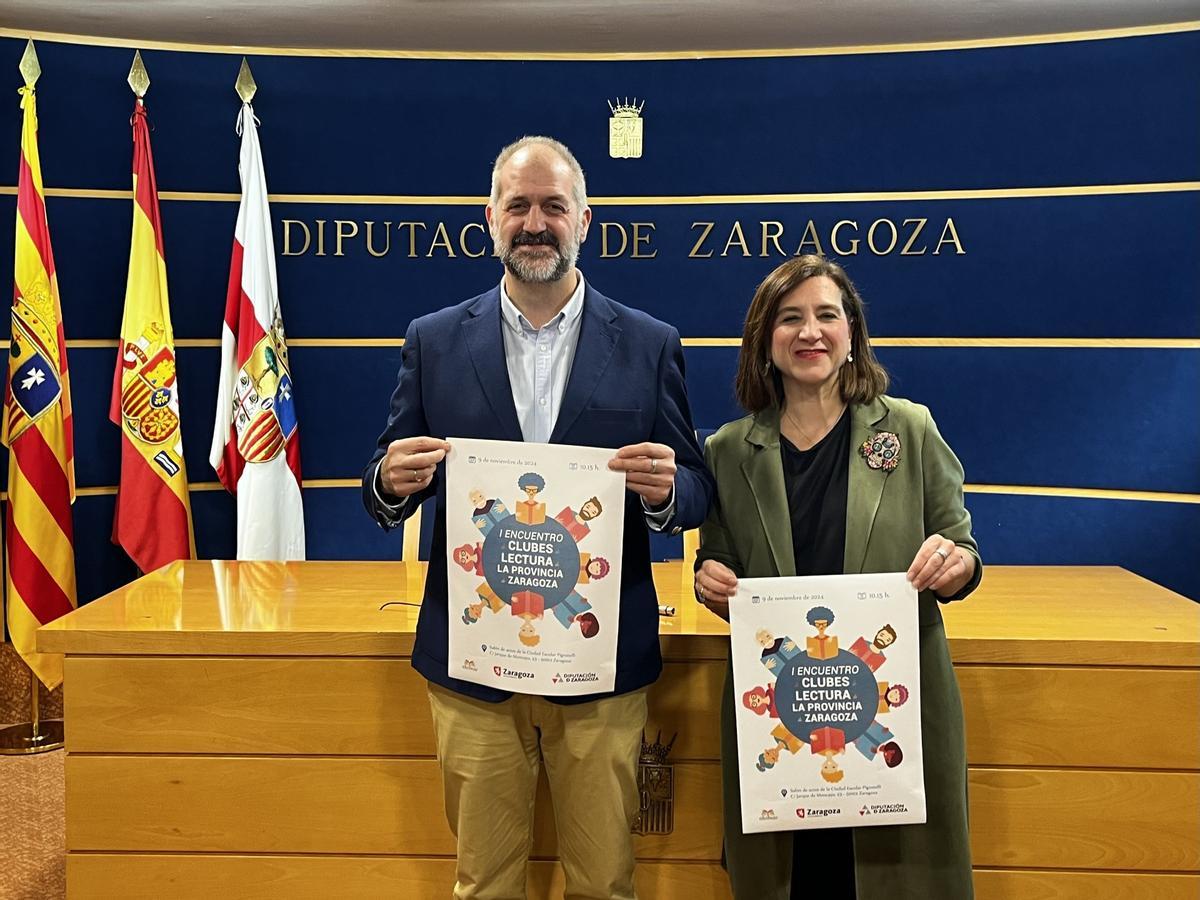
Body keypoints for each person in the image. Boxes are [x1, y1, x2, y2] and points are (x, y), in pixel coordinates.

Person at [361, 135, 713, 900]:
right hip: (472, 666)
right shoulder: (434, 339)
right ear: (489, 218)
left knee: (604, 883)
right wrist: (389, 478)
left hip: (599, 662)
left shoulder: (651, 345)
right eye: (517, 205)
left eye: (553, 206)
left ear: (586, 220)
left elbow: (694, 487)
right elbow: (384, 475)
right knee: (483, 883)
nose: (535, 222)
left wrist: (665, 493)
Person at [693, 255, 981, 900]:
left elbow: (960, 546)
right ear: (765, 342)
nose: (810, 332)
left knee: (891, 877)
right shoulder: (729, 451)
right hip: (785, 716)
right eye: (789, 319)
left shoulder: (909, 428)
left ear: (852, 333)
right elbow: (720, 566)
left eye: (827, 315)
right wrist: (710, 582)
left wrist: (956, 564)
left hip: (893, 709)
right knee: (794, 877)